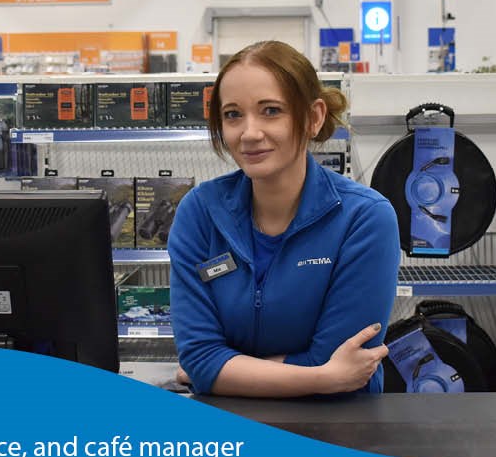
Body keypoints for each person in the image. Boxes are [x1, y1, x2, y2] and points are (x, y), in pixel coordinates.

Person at [169, 40, 400, 397]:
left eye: (271, 111)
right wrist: (323, 378)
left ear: (313, 117)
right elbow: (201, 358)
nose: (249, 133)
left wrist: (223, 371)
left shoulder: (364, 220)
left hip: (338, 432)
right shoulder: (199, 213)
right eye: (232, 115)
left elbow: (340, 357)